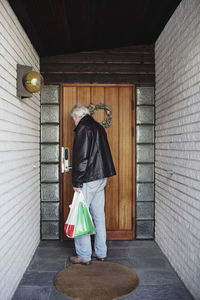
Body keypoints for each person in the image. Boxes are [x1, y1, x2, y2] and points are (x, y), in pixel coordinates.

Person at [69, 103, 116, 265]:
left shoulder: (83, 128)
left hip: (89, 178)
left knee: (81, 214)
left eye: (73, 119)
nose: (74, 122)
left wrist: (77, 181)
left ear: (77, 116)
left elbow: (82, 158)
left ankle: (84, 255)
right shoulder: (97, 126)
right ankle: (101, 252)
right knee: (98, 216)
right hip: (101, 177)